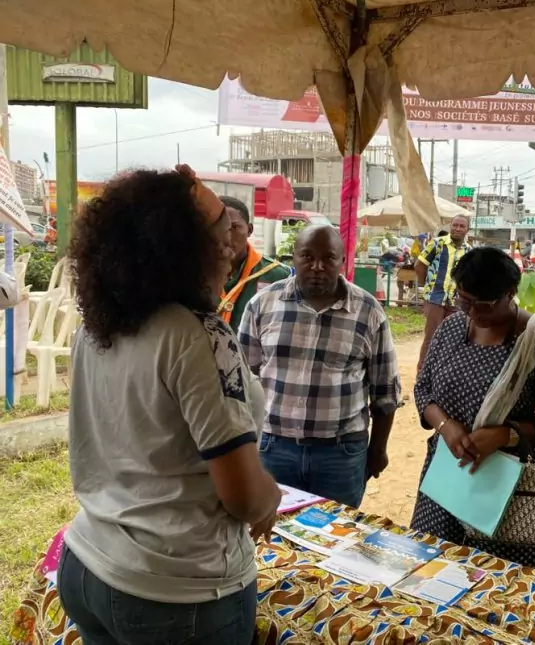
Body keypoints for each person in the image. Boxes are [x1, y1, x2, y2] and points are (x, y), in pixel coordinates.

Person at [59, 166, 281, 645]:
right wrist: (271, 497)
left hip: (89, 561)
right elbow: (243, 497)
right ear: (179, 247)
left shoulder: (97, 327)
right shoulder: (199, 336)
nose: (231, 251)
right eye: (220, 238)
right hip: (177, 592)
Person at [411, 247, 535, 570]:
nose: (472, 312)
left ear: (510, 294)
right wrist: (446, 427)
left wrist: (504, 436)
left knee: (499, 588)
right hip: (443, 480)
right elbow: (423, 390)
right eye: (463, 300)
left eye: (484, 304)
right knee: (431, 572)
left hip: (505, 494)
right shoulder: (451, 329)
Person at [239, 225, 401, 508]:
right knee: (272, 538)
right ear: (293, 258)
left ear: (342, 262)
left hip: (340, 455)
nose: (317, 266)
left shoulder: (368, 311)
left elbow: (385, 391)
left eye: (328, 258)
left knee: (338, 538)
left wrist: (379, 449)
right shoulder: (262, 305)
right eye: (307, 256)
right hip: (273, 449)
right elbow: (240, 383)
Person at [219, 196, 292, 332]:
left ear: (250, 230)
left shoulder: (276, 275)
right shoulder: (196, 273)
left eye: (234, 227)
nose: (227, 237)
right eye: (219, 228)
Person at [415, 215, 471, 371]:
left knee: (452, 339)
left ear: (467, 230)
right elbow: (419, 265)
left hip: (455, 302)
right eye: (455, 225)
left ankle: (442, 372)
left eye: (462, 226)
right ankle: (422, 374)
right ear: (450, 226)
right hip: (435, 299)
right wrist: (426, 286)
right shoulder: (437, 244)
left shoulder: (468, 251)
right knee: (431, 338)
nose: (457, 229)